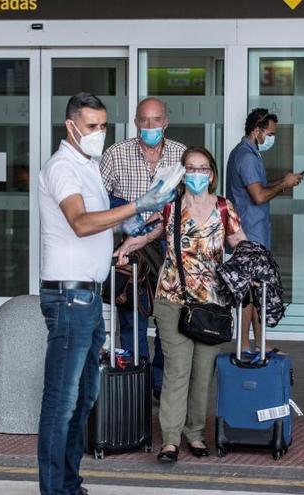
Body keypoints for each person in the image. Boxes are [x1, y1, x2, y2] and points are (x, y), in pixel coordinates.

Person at [37, 92, 176, 495]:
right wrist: (135, 207)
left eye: (103, 126)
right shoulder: (63, 167)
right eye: (92, 126)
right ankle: (54, 490)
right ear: (71, 126)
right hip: (68, 298)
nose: (99, 133)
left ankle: (69, 484)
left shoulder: (90, 167)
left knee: (82, 402)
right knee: (61, 405)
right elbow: (80, 222)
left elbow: (98, 222)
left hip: (87, 299)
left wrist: (126, 228)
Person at [116, 146, 246, 464]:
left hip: (212, 305)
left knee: (202, 373)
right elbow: (148, 233)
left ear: (212, 174)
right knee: (177, 370)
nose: (197, 174)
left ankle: (196, 433)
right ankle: (171, 440)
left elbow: (239, 243)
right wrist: (129, 244)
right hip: (172, 298)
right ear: (182, 173)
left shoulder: (224, 209)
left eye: (203, 169)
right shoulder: (171, 208)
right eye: (190, 168)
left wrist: (253, 267)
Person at [100, 97, 186, 399]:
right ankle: (135, 383)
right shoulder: (115, 154)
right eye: (145, 120)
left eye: (156, 119)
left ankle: (160, 387)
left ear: (166, 122)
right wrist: (125, 222)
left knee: (168, 318)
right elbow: (97, 202)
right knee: (131, 317)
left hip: (168, 246)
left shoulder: (180, 155)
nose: (151, 126)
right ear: (136, 122)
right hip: (129, 248)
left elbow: (188, 204)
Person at [226, 108, 303, 352]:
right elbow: (259, 196)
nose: (271, 138)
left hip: (254, 231)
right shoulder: (246, 156)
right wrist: (285, 184)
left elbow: (257, 188)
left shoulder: (250, 153)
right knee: (250, 289)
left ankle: (258, 342)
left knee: (258, 287)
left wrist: (282, 182)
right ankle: (245, 343)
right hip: (248, 234)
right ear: (257, 131)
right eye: (270, 133)